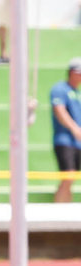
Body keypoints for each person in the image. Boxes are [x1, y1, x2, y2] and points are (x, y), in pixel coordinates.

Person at [50, 58, 81, 203]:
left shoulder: (76, 92)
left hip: (77, 142)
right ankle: (59, 210)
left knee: (72, 177)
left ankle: (66, 208)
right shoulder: (60, 89)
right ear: (72, 73)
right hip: (65, 140)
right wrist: (74, 128)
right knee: (67, 176)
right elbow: (59, 111)